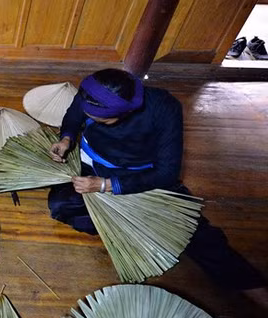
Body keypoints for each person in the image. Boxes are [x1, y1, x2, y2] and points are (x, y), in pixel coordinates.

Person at [48, 68, 265, 295]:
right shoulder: (92, 92)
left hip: (140, 176)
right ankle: (131, 224)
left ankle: (254, 288)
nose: (89, 119)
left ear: (125, 113)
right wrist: (66, 138)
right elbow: (75, 114)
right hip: (93, 164)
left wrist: (105, 185)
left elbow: (166, 173)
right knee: (60, 205)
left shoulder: (164, 108)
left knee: (194, 234)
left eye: (98, 119)